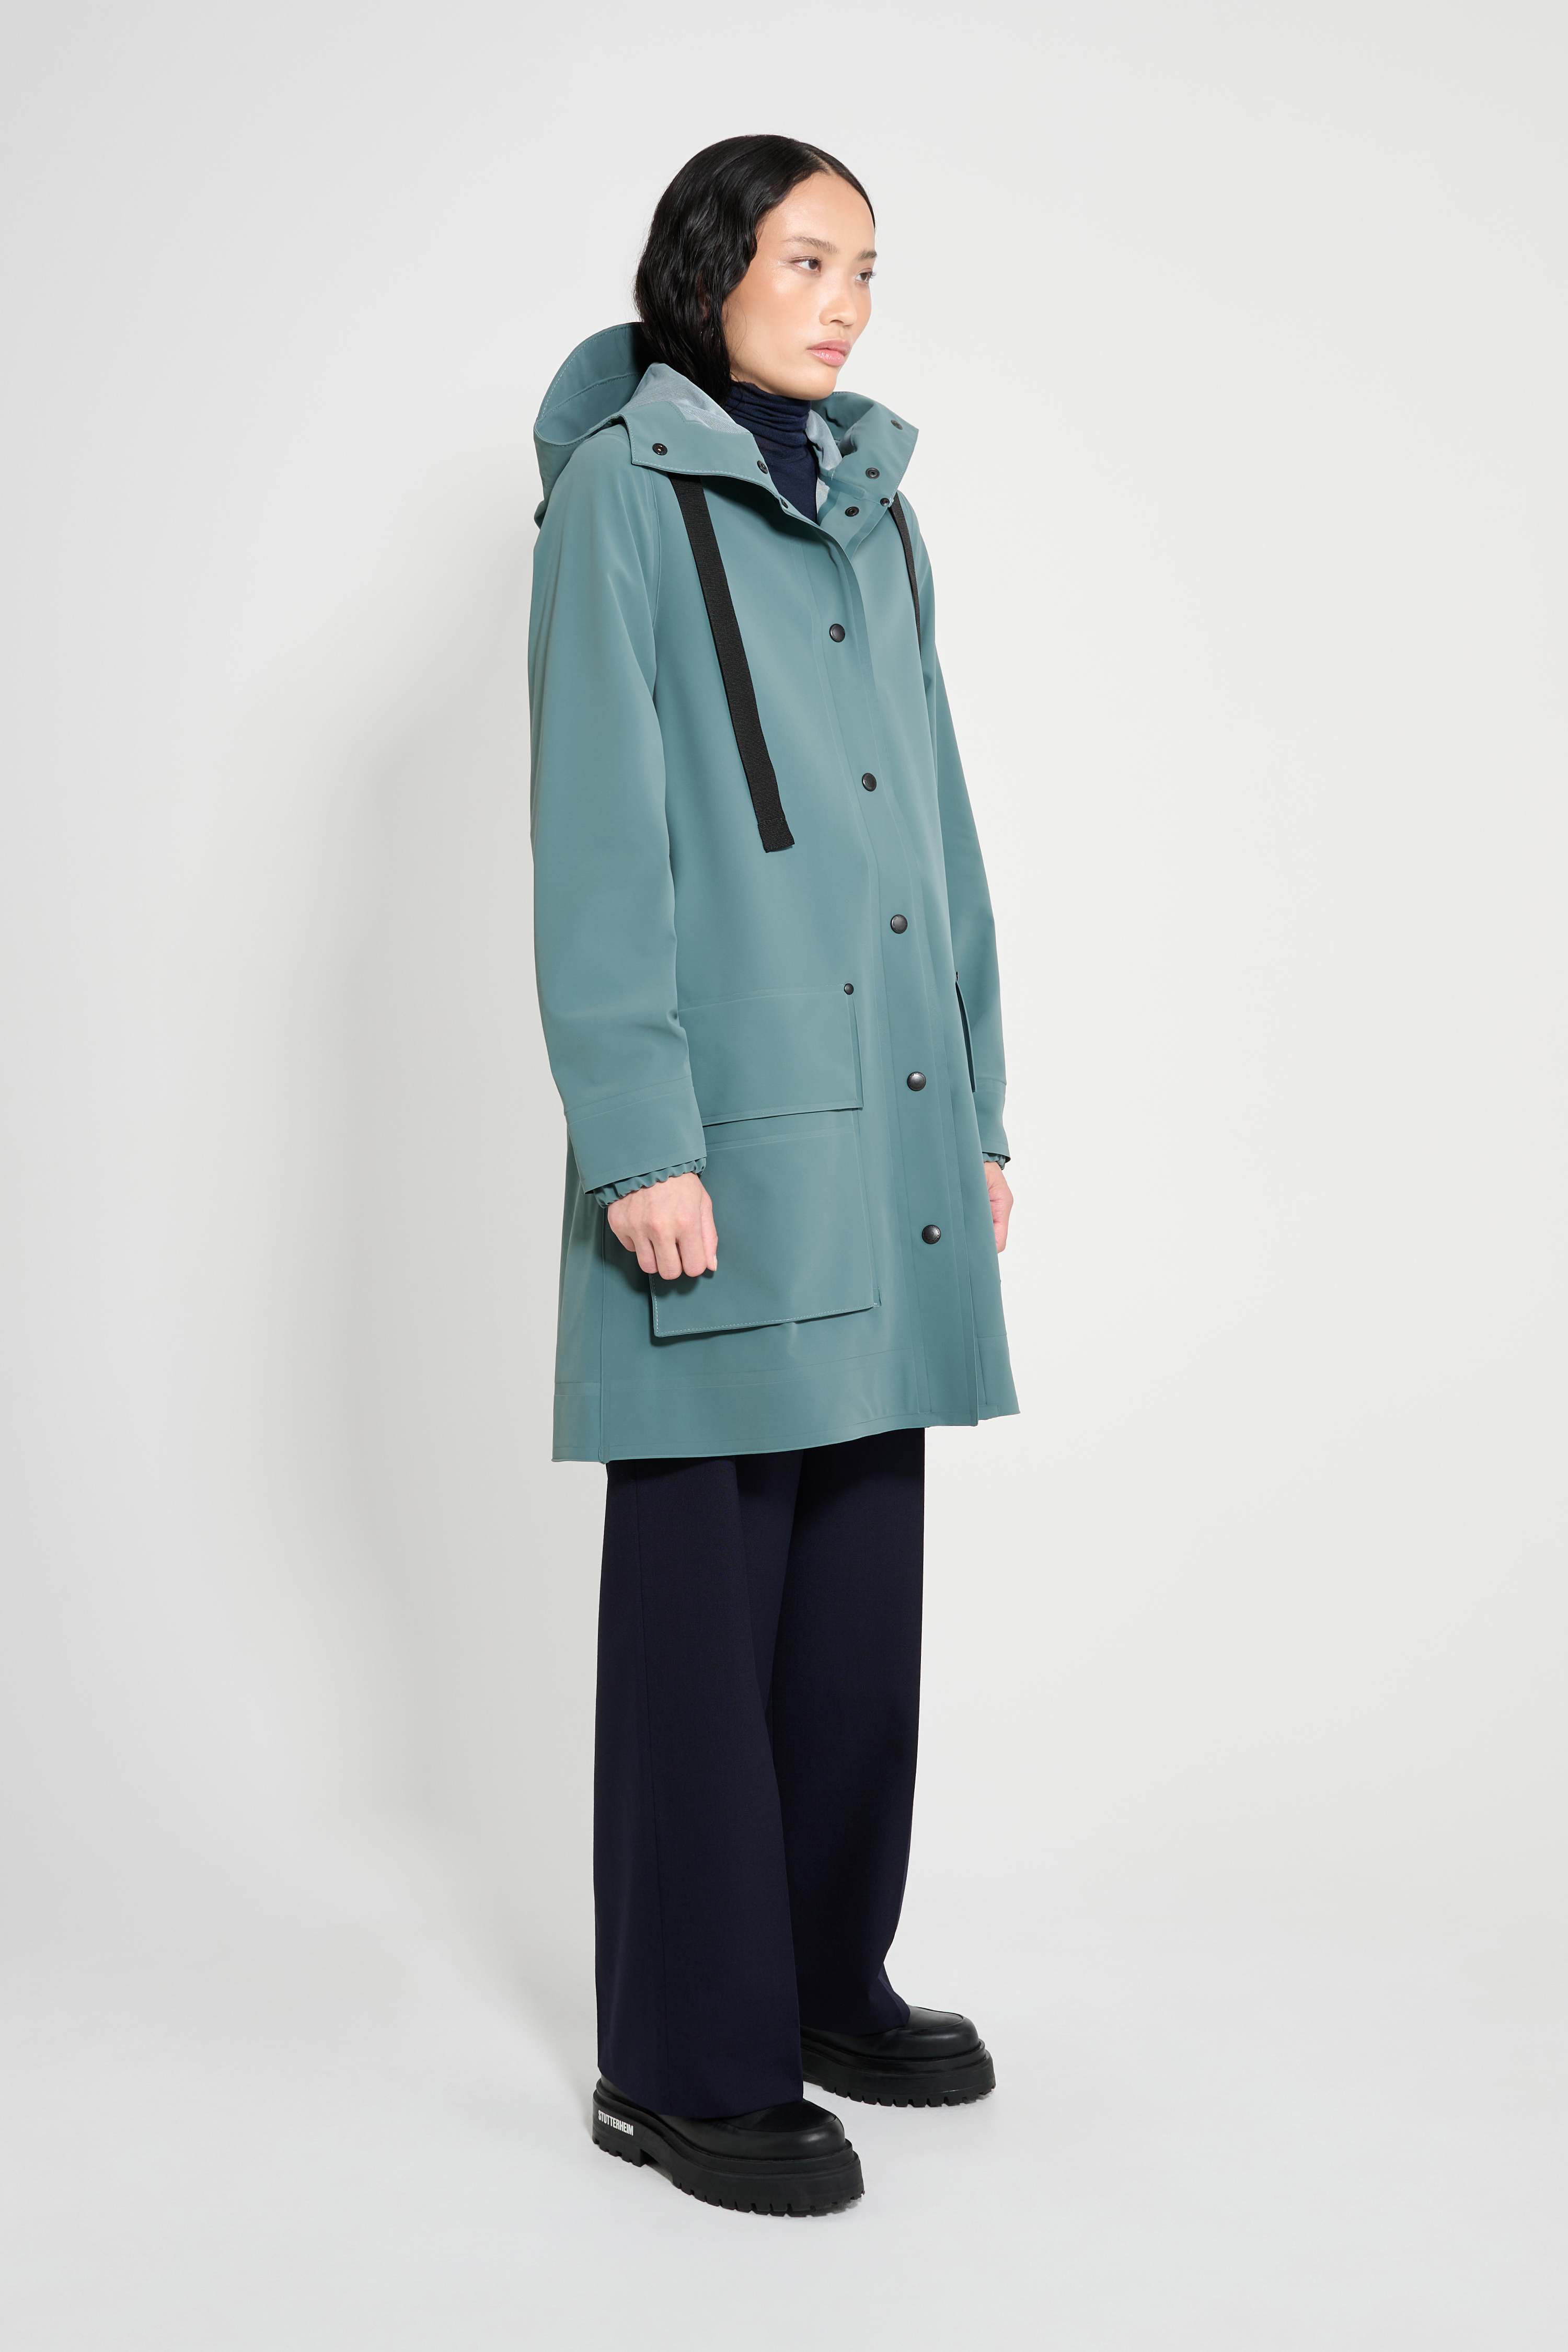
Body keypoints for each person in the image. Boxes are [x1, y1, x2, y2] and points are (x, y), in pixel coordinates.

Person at [527, 134, 1018, 2216]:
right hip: (720, 1136)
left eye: (868, 270)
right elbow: (595, 831)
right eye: (808, 260)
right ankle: (681, 2058)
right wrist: (638, 1134)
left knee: (855, 1588)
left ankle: (823, 1979)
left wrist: (977, 1104)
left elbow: (938, 821)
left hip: (882, 1119)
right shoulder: (624, 501)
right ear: (710, 267)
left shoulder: (877, 506)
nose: (845, 303)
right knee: (704, 1602)